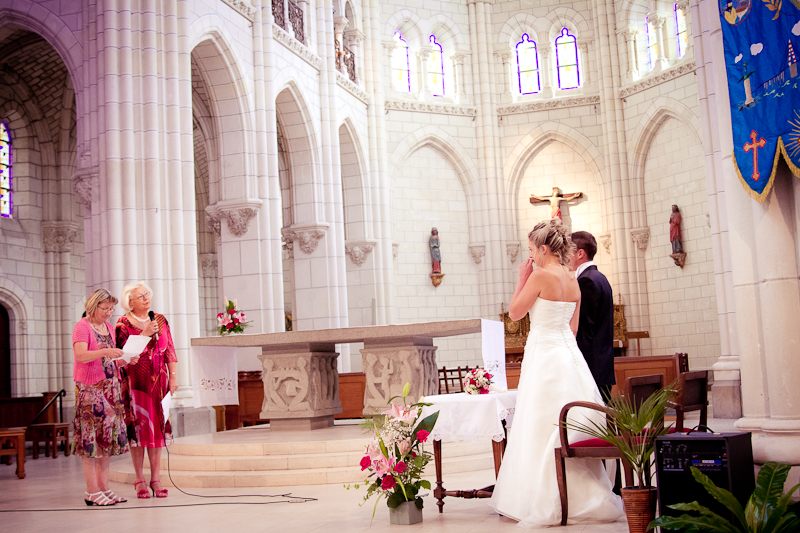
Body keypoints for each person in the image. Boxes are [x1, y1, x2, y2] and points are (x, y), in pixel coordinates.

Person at [489, 219, 624, 527]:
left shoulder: (540, 276)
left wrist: (522, 280)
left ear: (544, 248)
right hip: (569, 357)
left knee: (537, 423)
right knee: (567, 425)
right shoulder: (571, 278)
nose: (531, 256)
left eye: (532, 250)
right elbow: (573, 329)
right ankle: (583, 495)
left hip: (544, 357)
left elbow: (514, 313)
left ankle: (537, 498)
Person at [71, 288, 139, 506]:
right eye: (105, 308)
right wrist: (105, 352)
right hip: (91, 391)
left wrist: (125, 360)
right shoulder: (82, 327)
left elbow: (109, 360)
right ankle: (91, 491)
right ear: (93, 306)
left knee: (106, 441)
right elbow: (81, 356)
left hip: (111, 390)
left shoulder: (109, 327)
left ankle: (104, 488)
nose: (109, 312)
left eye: (111, 309)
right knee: (91, 442)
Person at [116, 281, 178, 499]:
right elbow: (121, 356)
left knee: (157, 430)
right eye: (140, 296)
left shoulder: (159, 319)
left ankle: (156, 478)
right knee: (139, 430)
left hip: (159, 381)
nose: (146, 298)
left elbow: (169, 349)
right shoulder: (122, 323)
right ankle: (139, 479)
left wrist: (173, 376)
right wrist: (144, 333)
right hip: (135, 383)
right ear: (129, 302)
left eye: (147, 294)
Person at [569, 231, 616, 401]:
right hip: (601, 363)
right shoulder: (600, 278)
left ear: (580, 253)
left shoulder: (586, 281)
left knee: (594, 420)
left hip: (591, 366)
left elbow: (584, 330)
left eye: (568, 251)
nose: (565, 257)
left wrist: (577, 365)